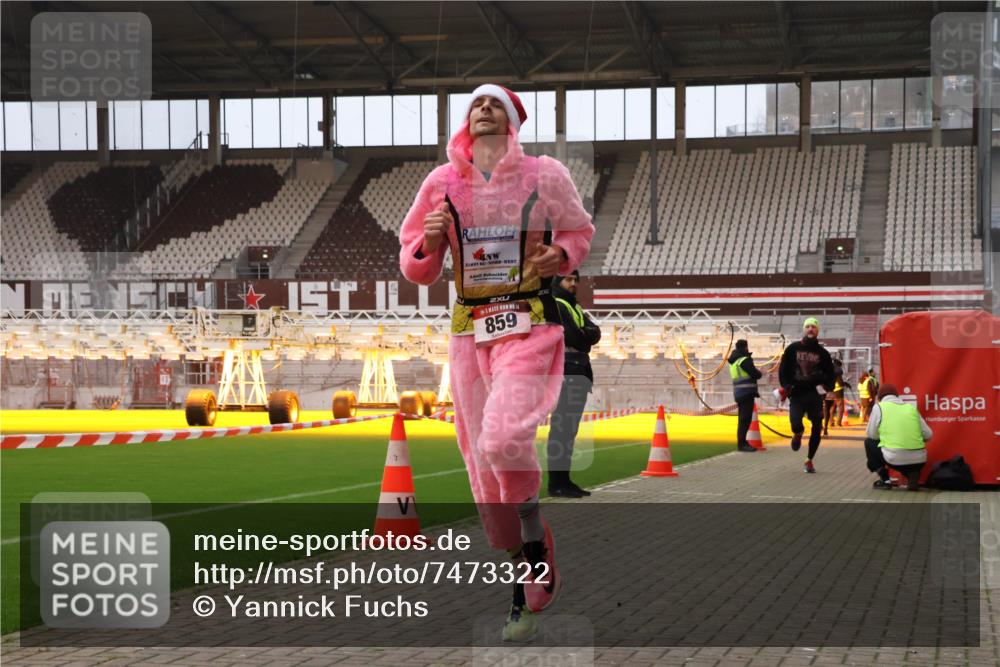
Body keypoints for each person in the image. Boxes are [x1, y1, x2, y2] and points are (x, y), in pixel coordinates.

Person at [399, 84, 594, 642]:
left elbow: (579, 231)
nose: (483, 109)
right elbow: (415, 265)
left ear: (511, 120)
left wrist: (560, 254)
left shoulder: (544, 174)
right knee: (483, 467)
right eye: (476, 104)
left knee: (504, 437)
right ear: (467, 121)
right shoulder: (441, 183)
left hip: (526, 323)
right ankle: (522, 577)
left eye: (495, 104)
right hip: (468, 333)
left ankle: (535, 540)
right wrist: (426, 244)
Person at [547, 270, 601, 498]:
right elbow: (575, 337)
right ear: (558, 281)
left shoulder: (573, 306)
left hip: (577, 371)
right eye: (568, 279)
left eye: (575, 279)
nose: (573, 283)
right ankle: (557, 483)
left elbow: (595, 333)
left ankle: (564, 480)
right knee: (562, 430)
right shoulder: (556, 304)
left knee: (568, 431)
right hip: (567, 372)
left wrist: (585, 335)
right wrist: (586, 336)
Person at [778, 317, 835, 474]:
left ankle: (809, 460)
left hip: (814, 395)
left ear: (818, 330)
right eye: (808, 326)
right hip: (796, 394)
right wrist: (786, 386)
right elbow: (783, 370)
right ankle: (798, 433)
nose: (810, 329)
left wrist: (826, 387)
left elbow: (830, 374)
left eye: (813, 327)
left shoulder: (823, 353)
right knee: (795, 423)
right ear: (804, 329)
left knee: (817, 427)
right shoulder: (792, 349)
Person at [865, 384, 932, 491]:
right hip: (919, 460)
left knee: (869, 442)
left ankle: (885, 480)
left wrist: (885, 437)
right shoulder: (910, 408)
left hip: (895, 458)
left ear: (879, 397)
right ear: (897, 396)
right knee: (907, 460)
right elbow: (928, 434)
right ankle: (911, 474)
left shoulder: (879, 407)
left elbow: (872, 434)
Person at [727, 339, 763, 452]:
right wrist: (760, 372)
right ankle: (742, 444)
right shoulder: (744, 360)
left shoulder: (734, 361)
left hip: (739, 393)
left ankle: (742, 443)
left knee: (742, 419)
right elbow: (755, 374)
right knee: (745, 420)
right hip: (747, 393)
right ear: (746, 347)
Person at [823, 358, 849, 435]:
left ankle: (826, 424)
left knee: (826, 409)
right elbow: (840, 373)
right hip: (833, 392)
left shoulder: (824, 367)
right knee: (829, 409)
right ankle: (826, 426)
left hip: (823, 391)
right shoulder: (836, 371)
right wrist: (845, 383)